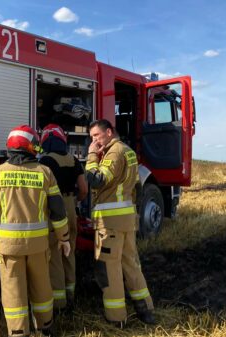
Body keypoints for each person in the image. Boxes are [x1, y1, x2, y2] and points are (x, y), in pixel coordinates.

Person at [0, 125, 70, 337]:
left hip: (9, 248)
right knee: (42, 286)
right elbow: (57, 210)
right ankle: (45, 327)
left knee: (13, 291)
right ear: (31, 147)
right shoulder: (45, 172)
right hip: (38, 245)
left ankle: (19, 332)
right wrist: (64, 237)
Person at [85, 120, 155, 327]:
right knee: (131, 264)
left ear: (109, 132)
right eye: (91, 138)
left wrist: (90, 156)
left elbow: (97, 179)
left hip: (110, 223)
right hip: (126, 221)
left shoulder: (114, 152)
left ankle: (116, 319)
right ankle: (146, 311)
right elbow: (137, 188)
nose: (94, 141)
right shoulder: (129, 152)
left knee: (109, 269)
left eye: (96, 136)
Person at [38, 124, 88, 309]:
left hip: (53, 209)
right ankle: (71, 294)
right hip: (70, 206)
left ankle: (59, 303)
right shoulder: (74, 160)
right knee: (69, 252)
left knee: (55, 255)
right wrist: (74, 202)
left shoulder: (45, 161)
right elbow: (83, 189)